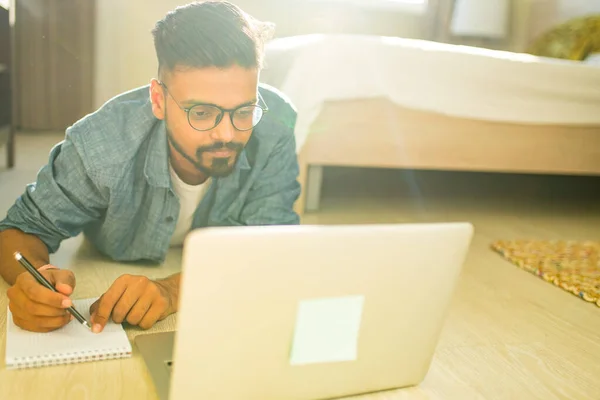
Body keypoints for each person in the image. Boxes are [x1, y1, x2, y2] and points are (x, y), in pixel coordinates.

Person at [0, 1, 300, 334]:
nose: (228, 134)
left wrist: (171, 290)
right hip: (110, 262)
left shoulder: (275, 127)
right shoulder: (101, 143)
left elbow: (274, 247)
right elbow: (21, 229)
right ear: (158, 100)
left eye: (244, 111)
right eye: (201, 113)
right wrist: (34, 276)